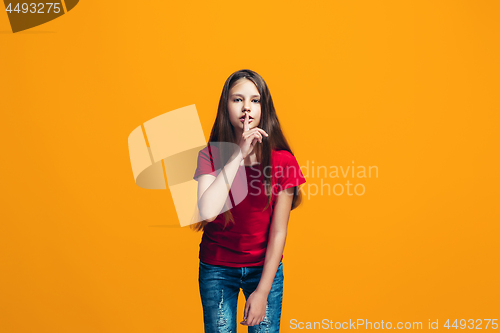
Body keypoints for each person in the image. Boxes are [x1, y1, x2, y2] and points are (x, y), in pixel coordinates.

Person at [191, 69, 306, 332]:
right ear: (226, 106)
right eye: (237, 99)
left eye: (255, 100)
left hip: (264, 271)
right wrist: (238, 155)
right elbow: (208, 212)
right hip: (217, 268)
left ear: (264, 108)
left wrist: (263, 292)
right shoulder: (209, 155)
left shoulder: (283, 161)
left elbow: (279, 231)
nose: (246, 108)